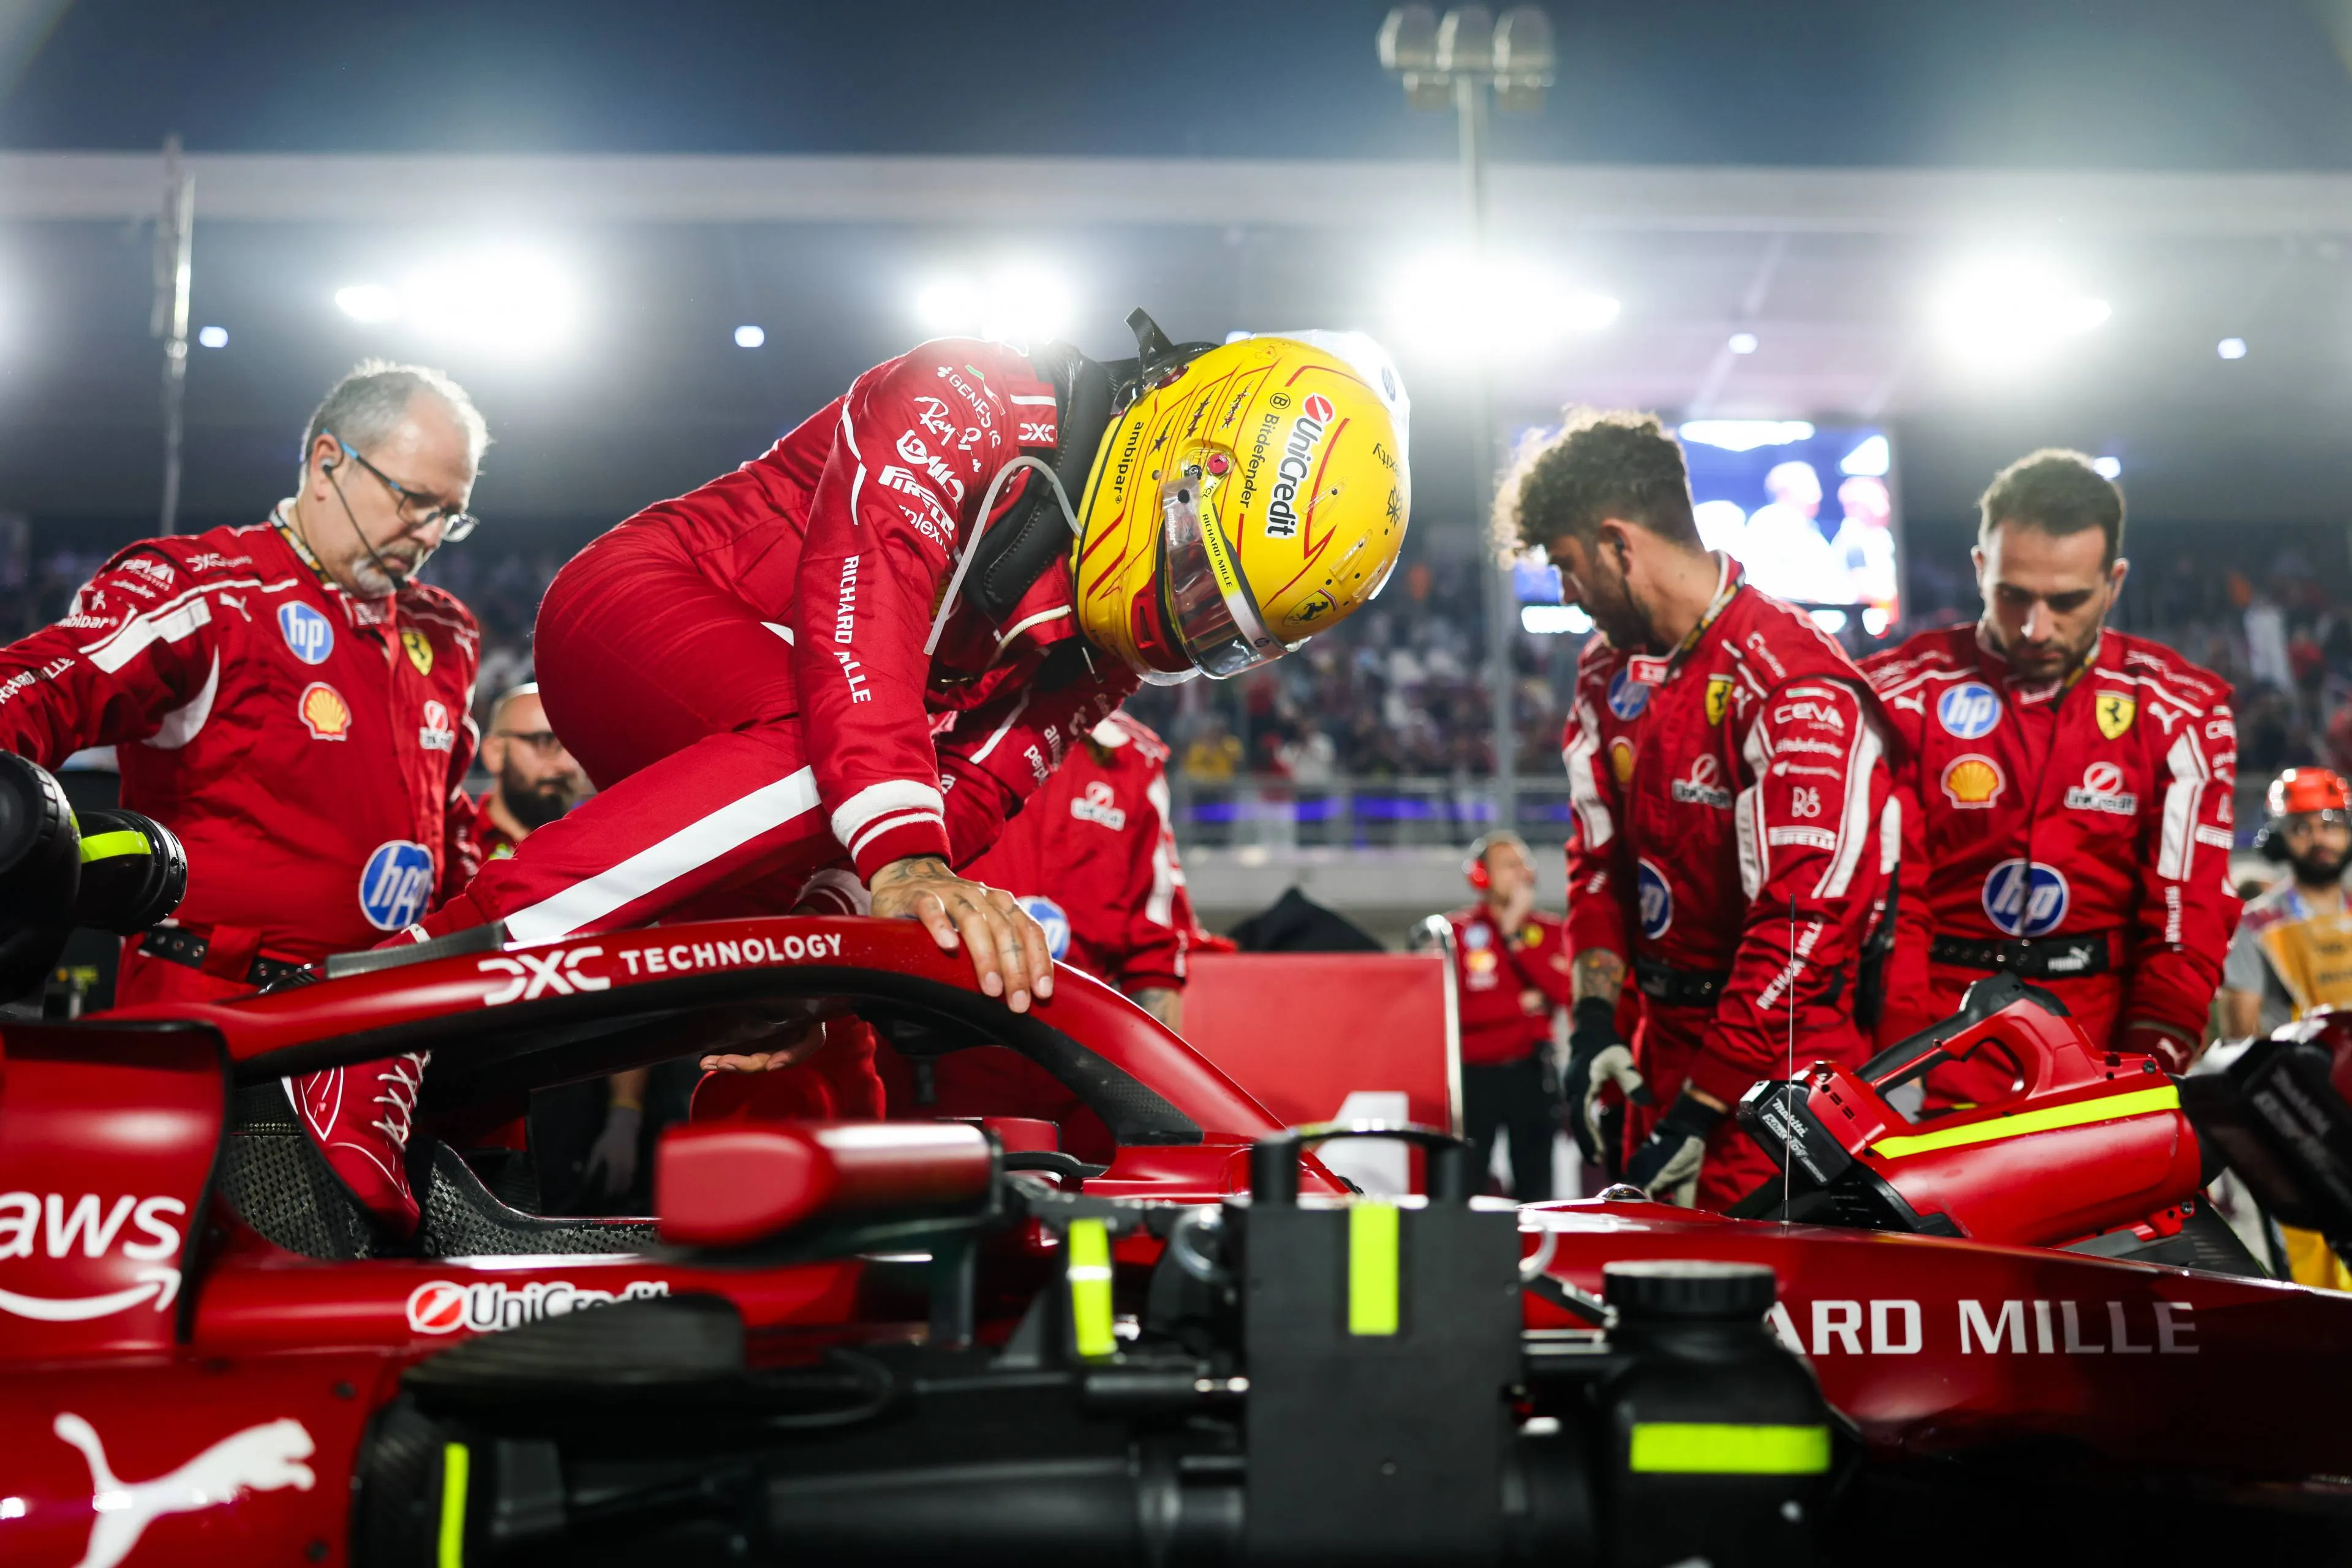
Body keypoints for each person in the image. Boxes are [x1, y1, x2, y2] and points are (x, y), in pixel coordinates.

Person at [391, 315, 1410, 1229]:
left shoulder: (1116, 650)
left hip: (798, 756)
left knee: (821, 1005)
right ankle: (390, 1019)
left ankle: (775, 1266)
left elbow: (978, 790)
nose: (1179, 631)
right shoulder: (970, 393)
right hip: (639, 613)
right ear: (1180, 455)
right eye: (1195, 576)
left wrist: (839, 912)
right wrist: (905, 861)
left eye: (1224, 636)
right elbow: (859, 620)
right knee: (823, 764)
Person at [0, 360, 488, 1226]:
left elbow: (451, 835)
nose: (427, 531)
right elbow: (44, 684)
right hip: (218, 1038)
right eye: (412, 499)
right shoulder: (208, 589)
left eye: (450, 514)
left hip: (393, 1046)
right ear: (327, 460)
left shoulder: (446, 632)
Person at [1503, 410, 1893, 1210]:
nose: (1569, 595)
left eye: (1570, 568)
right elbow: (1598, 861)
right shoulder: (1605, 670)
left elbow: (1802, 923)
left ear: (1621, 544)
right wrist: (1593, 1023)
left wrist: (1700, 1108)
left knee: (1751, 1324)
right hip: (1661, 1058)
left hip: (1775, 1088)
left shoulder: (1793, 681)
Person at [1866, 450, 2239, 1107]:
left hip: (2105, 1056)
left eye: (2066, 601)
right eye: (2013, 595)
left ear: (2114, 582)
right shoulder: (1899, 695)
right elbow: (1895, 905)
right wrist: (1902, 1072)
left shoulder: (2181, 709)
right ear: (1980, 568)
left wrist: (2145, 1074)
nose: (2037, 627)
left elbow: (2186, 917)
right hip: (1933, 1052)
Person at [962, 709, 1196, 1029]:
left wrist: (1143, 1078)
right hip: (949, 1042)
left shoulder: (1135, 756)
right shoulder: (941, 730)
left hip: (1081, 1046)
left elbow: (1155, 956)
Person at [2220, 767, 2352, 1289]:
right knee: (2317, 1285)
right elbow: (2240, 1042)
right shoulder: (2257, 925)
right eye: (2302, 827)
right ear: (2279, 837)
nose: (2319, 838)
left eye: (2331, 823)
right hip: (2303, 1122)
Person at [1442, 831, 1572, 1201]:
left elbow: (1563, 993)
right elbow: (1457, 1011)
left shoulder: (1549, 931)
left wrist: (1515, 933)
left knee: (1537, 1188)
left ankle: (1537, 1258)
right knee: (1467, 1183)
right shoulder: (1456, 933)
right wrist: (1519, 1005)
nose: (1519, 873)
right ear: (1482, 876)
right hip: (1475, 1079)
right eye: (1508, 865)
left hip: (1532, 1074)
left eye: (1522, 865)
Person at [459, 682, 584, 865]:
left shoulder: (596, 852)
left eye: (577, 748)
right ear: (495, 753)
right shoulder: (455, 849)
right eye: (545, 742)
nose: (569, 765)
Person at [1736, 459, 1839, 605]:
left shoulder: (1809, 527)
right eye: (1811, 487)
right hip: (1787, 615)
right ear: (1784, 491)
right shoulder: (1770, 521)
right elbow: (1764, 579)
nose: (1819, 494)